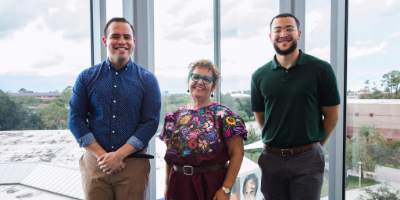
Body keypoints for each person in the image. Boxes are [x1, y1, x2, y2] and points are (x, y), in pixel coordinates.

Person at [68, 17, 161, 200]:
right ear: (105, 41)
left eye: (127, 37)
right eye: (115, 36)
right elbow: (75, 119)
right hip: (95, 164)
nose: (121, 41)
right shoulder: (86, 77)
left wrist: (119, 155)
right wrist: (104, 157)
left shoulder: (148, 80)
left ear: (133, 42)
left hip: (132, 166)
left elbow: (150, 123)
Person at [251, 13, 340, 200]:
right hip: (271, 159)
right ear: (270, 37)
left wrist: (312, 147)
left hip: (308, 159)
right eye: (278, 29)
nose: (283, 33)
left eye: (289, 28)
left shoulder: (321, 69)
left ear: (298, 34)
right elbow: (261, 118)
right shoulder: (259, 75)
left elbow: (332, 117)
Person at [159, 60, 248, 200]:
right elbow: (169, 157)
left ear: (213, 86)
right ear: (189, 81)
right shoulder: (173, 117)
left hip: (211, 184)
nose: (200, 82)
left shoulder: (224, 115)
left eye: (206, 79)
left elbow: (237, 153)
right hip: (178, 185)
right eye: (195, 77)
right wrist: (166, 185)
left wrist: (226, 189)